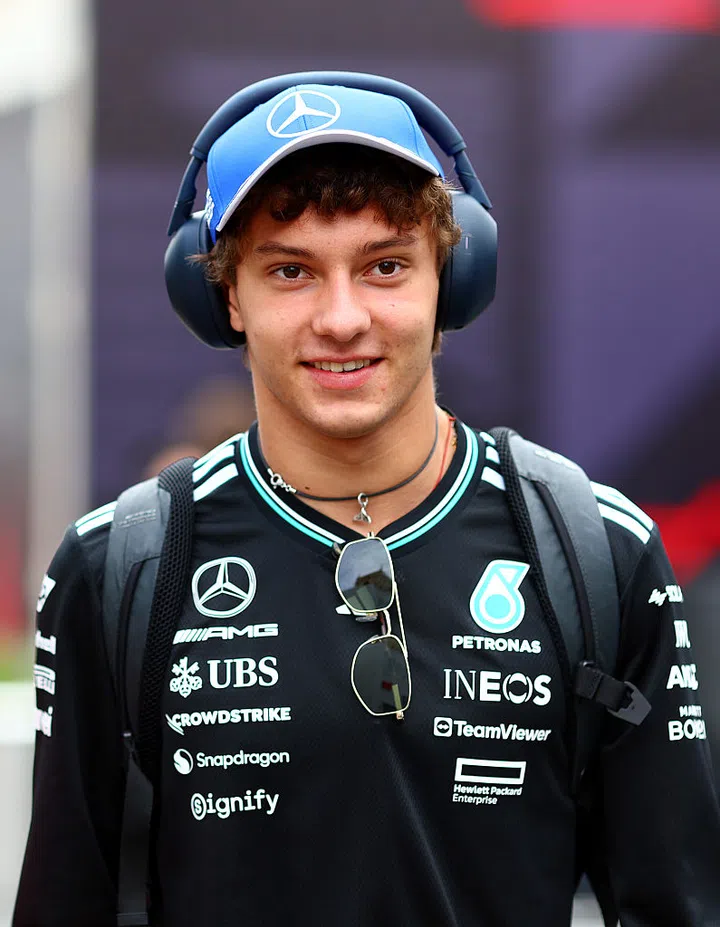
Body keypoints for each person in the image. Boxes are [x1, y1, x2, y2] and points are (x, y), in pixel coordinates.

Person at [14, 73, 720, 927]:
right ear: (226, 295)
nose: (343, 318)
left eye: (385, 265)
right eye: (291, 270)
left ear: (451, 278)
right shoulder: (116, 570)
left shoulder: (596, 551)